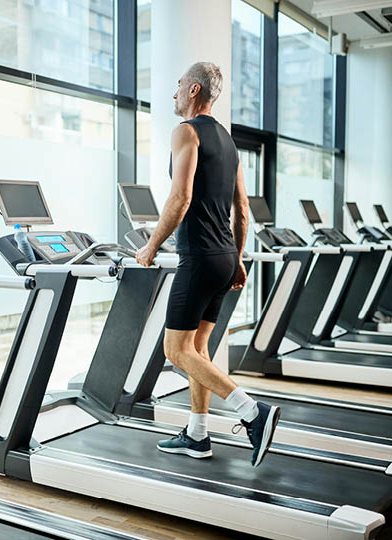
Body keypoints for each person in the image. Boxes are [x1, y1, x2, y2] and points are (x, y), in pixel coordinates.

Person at [135, 62, 279, 467]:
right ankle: (198, 435)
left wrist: (149, 247)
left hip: (198, 258)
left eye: (179, 85)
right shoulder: (229, 143)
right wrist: (237, 259)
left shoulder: (187, 132)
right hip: (224, 259)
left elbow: (179, 199)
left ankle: (253, 411)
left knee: (175, 350)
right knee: (198, 348)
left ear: (195, 90)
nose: (174, 93)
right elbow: (243, 209)